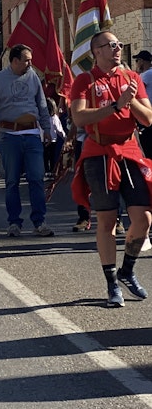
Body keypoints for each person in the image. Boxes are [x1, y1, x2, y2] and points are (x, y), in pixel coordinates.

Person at [70, 32, 152, 307]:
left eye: (119, 45)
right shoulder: (85, 80)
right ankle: (112, 283)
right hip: (99, 152)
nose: (118, 49)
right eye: (112, 45)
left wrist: (131, 100)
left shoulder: (132, 77)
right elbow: (79, 117)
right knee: (107, 221)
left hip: (129, 150)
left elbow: (148, 119)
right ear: (97, 51)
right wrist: (116, 105)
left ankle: (127, 270)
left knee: (144, 218)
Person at [0, 43, 54, 237]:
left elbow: (42, 104)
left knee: (36, 178)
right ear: (14, 61)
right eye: (26, 60)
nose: (30, 64)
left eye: (31, 60)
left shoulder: (33, 77)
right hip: (8, 135)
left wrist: (47, 129)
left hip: (32, 134)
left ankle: (40, 221)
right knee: (12, 180)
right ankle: (14, 222)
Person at [133, 50, 152, 158]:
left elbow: (136, 93)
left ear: (141, 61)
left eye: (137, 61)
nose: (136, 63)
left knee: (146, 147)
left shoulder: (146, 75)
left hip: (145, 115)